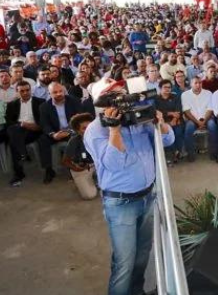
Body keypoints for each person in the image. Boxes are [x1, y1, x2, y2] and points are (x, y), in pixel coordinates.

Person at [85, 78, 174, 295]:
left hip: (148, 197)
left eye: (123, 93)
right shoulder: (95, 130)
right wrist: (114, 131)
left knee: (142, 255)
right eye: (117, 95)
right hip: (121, 203)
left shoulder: (137, 119)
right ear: (104, 102)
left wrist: (160, 123)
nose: (124, 98)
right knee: (124, 262)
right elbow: (114, 164)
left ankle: (137, 292)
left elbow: (167, 140)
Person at [39, 82, 82, 183]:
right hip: (55, 132)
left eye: (60, 91)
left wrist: (69, 131)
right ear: (49, 94)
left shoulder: (74, 101)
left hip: (72, 131)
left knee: (76, 139)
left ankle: (74, 168)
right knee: (42, 140)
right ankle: (49, 170)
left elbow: (80, 120)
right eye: (55, 92)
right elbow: (45, 124)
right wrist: (53, 134)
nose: (59, 94)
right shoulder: (44, 106)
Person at [5, 81, 45, 186]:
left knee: (13, 143)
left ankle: (19, 173)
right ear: (17, 92)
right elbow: (8, 121)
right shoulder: (12, 104)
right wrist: (21, 124)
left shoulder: (40, 102)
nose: (25, 93)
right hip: (19, 129)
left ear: (31, 90)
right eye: (22, 91)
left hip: (34, 130)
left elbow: (44, 121)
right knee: (13, 130)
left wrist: (32, 126)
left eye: (27, 90)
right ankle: (22, 153)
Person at [61, 113, 97, 200]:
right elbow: (65, 161)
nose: (88, 130)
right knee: (89, 195)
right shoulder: (74, 141)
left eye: (90, 127)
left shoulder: (99, 136)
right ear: (77, 131)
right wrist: (76, 168)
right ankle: (81, 182)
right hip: (82, 167)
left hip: (97, 165)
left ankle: (96, 181)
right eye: (84, 128)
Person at [181, 76, 217, 162]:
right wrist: (198, 122)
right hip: (192, 119)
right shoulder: (185, 95)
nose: (198, 85)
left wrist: (204, 121)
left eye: (200, 83)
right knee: (188, 128)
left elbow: (210, 109)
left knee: (212, 126)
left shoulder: (208, 93)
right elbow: (187, 111)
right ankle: (190, 154)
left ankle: (213, 153)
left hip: (206, 118)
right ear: (191, 84)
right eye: (196, 83)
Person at [154, 80, 185, 163]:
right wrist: (170, 113)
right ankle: (175, 152)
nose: (168, 89)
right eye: (165, 87)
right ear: (160, 88)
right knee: (167, 133)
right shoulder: (156, 99)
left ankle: (178, 151)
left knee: (178, 132)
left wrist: (174, 119)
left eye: (169, 87)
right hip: (162, 121)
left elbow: (178, 111)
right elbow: (158, 112)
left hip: (176, 120)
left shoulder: (175, 97)